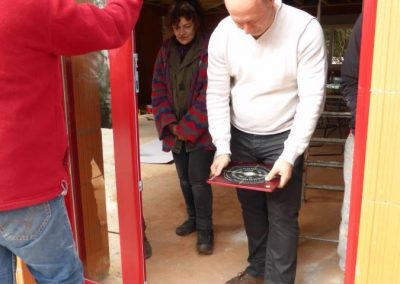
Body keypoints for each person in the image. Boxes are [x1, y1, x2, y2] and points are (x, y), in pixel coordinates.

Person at [0, 0, 142, 283]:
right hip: (24, 191)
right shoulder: (27, 8)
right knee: (61, 278)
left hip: (20, 189)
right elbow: (112, 25)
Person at [206, 0, 327, 283]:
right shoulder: (224, 33)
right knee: (251, 209)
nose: (246, 30)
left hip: (284, 135)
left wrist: (290, 154)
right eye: (239, 22)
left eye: (252, 21)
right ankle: (257, 269)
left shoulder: (305, 29)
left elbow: (312, 99)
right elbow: (216, 93)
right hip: (240, 135)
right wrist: (222, 145)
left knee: (282, 216)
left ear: (273, 2)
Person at [151, 0, 215, 255]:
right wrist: (170, 123)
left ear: (196, 24)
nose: (182, 32)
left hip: (201, 131)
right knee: (184, 179)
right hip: (174, 128)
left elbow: (212, 93)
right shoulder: (165, 50)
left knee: (199, 181)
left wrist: (187, 127)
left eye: (187, 25)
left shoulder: (209, 49)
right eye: (177, 27)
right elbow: (158, 89)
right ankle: (193, 219)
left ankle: (206, 229)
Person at [337, 14, 362, 272]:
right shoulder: (371, 17)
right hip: (365, 135)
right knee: (353, 208)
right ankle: (349, 269)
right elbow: (350, 80)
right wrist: (364, 118)